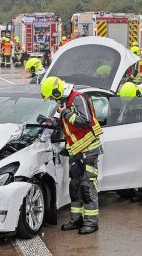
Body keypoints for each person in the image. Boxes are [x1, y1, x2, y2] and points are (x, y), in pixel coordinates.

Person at [40, 76, 103, 234]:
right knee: (74, 187)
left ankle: (91, 223)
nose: (53, 101)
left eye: (53, 97)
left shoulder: (78, 98)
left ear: (57, 91)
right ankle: (76, 220)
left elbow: (85, 120)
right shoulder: (63, 103)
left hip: (89, 150)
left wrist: (66, 113)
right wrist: (52, 122)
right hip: (75, 151)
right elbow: (64, 122)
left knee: (87, 187)